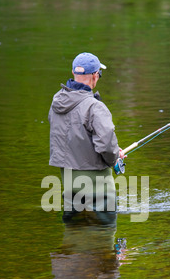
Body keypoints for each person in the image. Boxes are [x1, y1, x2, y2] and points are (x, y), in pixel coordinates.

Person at [48, 52, 124, 224]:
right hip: (98, 190)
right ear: (95, 75)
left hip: (70, 189)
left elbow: (73, 142)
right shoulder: (95, 107)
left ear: (74, 73)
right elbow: (106, 147)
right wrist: (114, 157)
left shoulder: (56, 104)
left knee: (73, 242)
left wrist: (111, 152)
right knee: (103, 242)